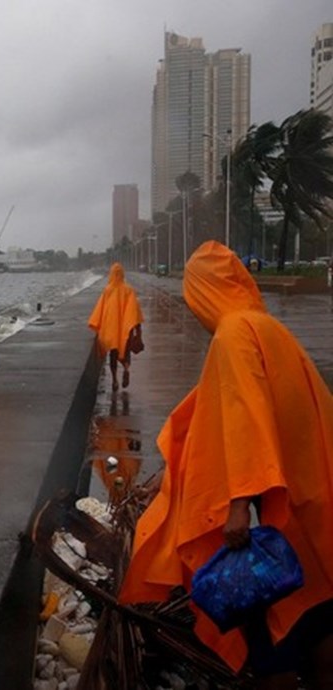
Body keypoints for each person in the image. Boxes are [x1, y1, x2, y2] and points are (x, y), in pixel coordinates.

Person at [120, 241, 333, 688]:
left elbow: (245, 414)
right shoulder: (267, 328)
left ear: (203, 292)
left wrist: (238, 502)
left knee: (272, 622)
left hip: (275, 509)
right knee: (319, 607)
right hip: (312, 496)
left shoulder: (233, 334)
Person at [87, 262, 144, 390]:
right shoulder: (129, 290)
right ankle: (126, 369)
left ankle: (114, 380)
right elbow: (134, 311)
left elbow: (100, 310)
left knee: (113, 354)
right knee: (125, 352)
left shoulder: (107, 290)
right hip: (125, 329)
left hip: (111, 329)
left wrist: (97, 324)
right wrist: (137, 330)